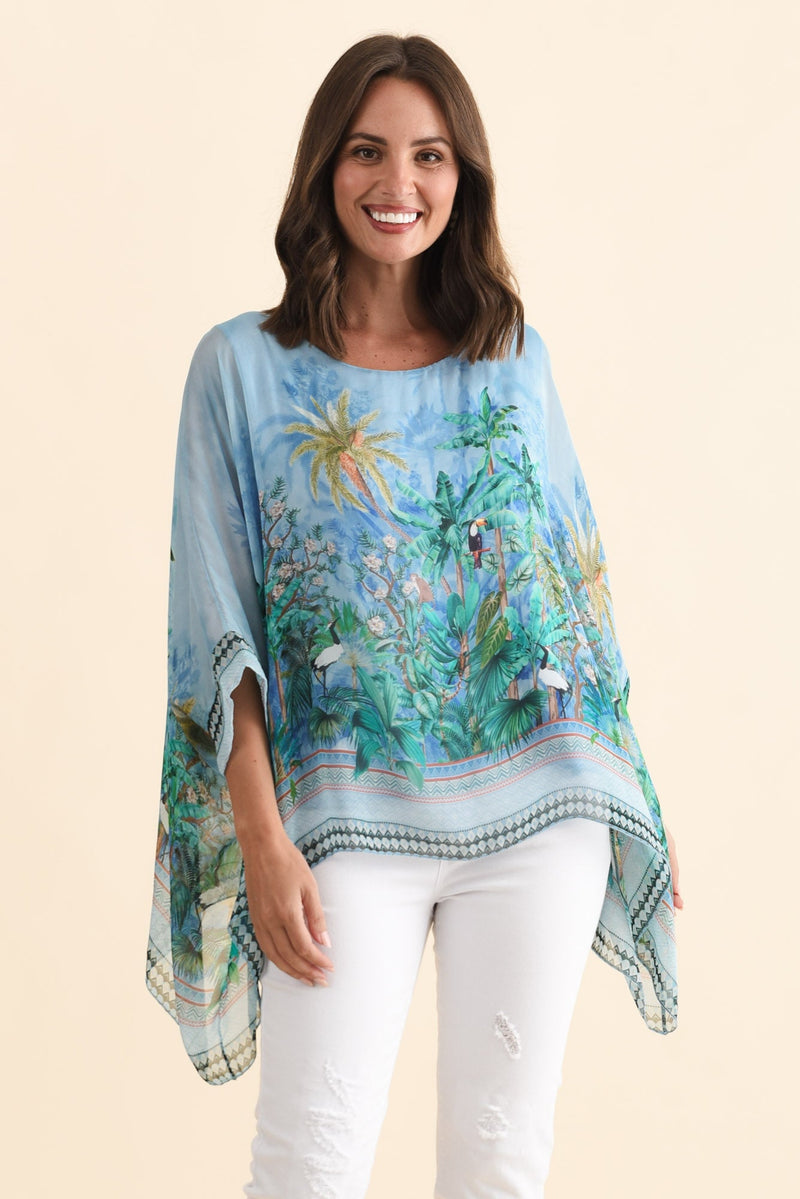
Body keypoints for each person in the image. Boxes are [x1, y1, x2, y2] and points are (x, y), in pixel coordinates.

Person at [145, 32, 682, 1199]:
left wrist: (632, 783)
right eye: (368, 151)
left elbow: (569, 595)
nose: (399, 183)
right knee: (308, 1162)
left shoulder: (511, 357)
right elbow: (216, 629)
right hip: (342, 813)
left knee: (499, 1161)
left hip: (539, 805)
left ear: (462, 176)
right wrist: (263, 835)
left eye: (429, 155)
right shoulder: (240, 369)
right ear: (322, 169)